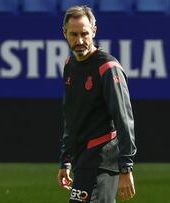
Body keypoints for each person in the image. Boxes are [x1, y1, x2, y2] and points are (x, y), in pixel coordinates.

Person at [57, 5, 137, 203]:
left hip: (102, 163)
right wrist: (66, 160)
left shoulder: (108, 68)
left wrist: (126, 168)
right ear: (64, 33)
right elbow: (71, 116)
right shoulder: (70, 65)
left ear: (94, 31)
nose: (80, 41)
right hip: (82, 161)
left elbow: (124, 120)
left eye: (85, 33)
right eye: (74, 34)